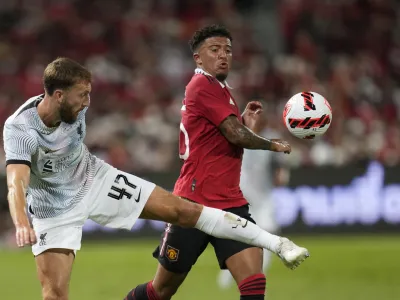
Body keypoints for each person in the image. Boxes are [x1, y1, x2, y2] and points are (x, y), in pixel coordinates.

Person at [3, 57, 307, 300]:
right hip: (53, 209)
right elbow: (16, 182)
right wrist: (20, 223)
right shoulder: (20, 130)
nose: (87, 103)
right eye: (82, 95)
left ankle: (278, 244)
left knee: (182, 210)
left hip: (95, 179)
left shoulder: (73, 106)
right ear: (58, 96)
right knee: (55, 295)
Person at [127, 25, 309, 300]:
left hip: (230, 203)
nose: (223, 55)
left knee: (254, 285)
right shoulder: (202, 85)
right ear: (198, 58)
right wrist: (271, 144)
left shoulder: (221, 90)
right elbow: (235, 134)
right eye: (215, 50)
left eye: (228, 50)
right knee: (161, 291)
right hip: (193, 204)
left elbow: (229, 136)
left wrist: (245, 124)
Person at [217, 103, 290, 289]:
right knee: (237, 236)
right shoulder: (238, 135)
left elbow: (281, 169)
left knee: (266, 235)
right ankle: (227, 274)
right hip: (242, 196)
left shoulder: (269, 138)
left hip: (263, 197)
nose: (257, 119)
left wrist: (281, 173)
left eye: (260, 115)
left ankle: (257, 275)